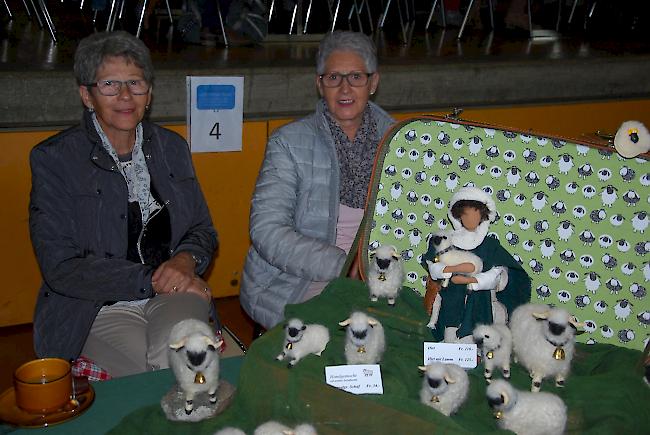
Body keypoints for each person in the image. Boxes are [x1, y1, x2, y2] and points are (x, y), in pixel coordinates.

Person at [29, 31, 218, 377]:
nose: (126, 96)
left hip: (173, 295)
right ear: (87, 95)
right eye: (110, 85)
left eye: (135, 82)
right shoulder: (54, 158)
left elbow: (201, 230)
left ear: (150, 92)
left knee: (187, 361)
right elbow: (61, 266)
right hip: (95, 306)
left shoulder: (171, 148)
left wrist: (186, 260)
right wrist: (155, 278)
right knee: (152, 378)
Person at [240, 31, 394, 330]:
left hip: (380, 272)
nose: (345, 88)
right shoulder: (288, 142)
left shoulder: (400, 141)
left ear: (373, 82)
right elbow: (267, 229)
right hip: (298, 277)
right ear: (319, 84)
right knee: (336, 336)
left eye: (356, 77)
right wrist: (345, 266)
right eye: (333, 77)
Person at [422, 187, 531, 343]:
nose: (471, 219)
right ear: (458, 215)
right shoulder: (447, 239)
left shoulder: (490, 245)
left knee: (478, 315)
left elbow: (500, 272)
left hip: (479, 297)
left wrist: (479, 281)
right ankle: (448, 340)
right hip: (451, 295)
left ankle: (471, 342)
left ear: (483, 217)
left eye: (476, 214)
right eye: (466, 215)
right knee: (450, 313)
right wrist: (442, 270)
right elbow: (433, 262)